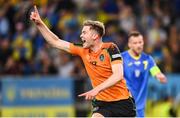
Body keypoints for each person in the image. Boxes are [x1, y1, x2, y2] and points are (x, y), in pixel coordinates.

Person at [30, 6, 136, 117]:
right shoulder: (83, 50)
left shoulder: (110, 48)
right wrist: (39, 23)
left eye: (84, 32)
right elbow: (55, 42)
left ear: (95, 36)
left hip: (122, 102)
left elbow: (118, 75)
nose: (81, 35)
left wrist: (96, 89)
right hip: (102, 102)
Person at [121, 31, 167, 117]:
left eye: (140, 42)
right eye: (135, 43)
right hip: (125, 104)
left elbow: (155, 71)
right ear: (129, 44)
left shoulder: (148, 59)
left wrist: (160, 76)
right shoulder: (122, 58)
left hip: (140, 107)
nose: (138, 45)